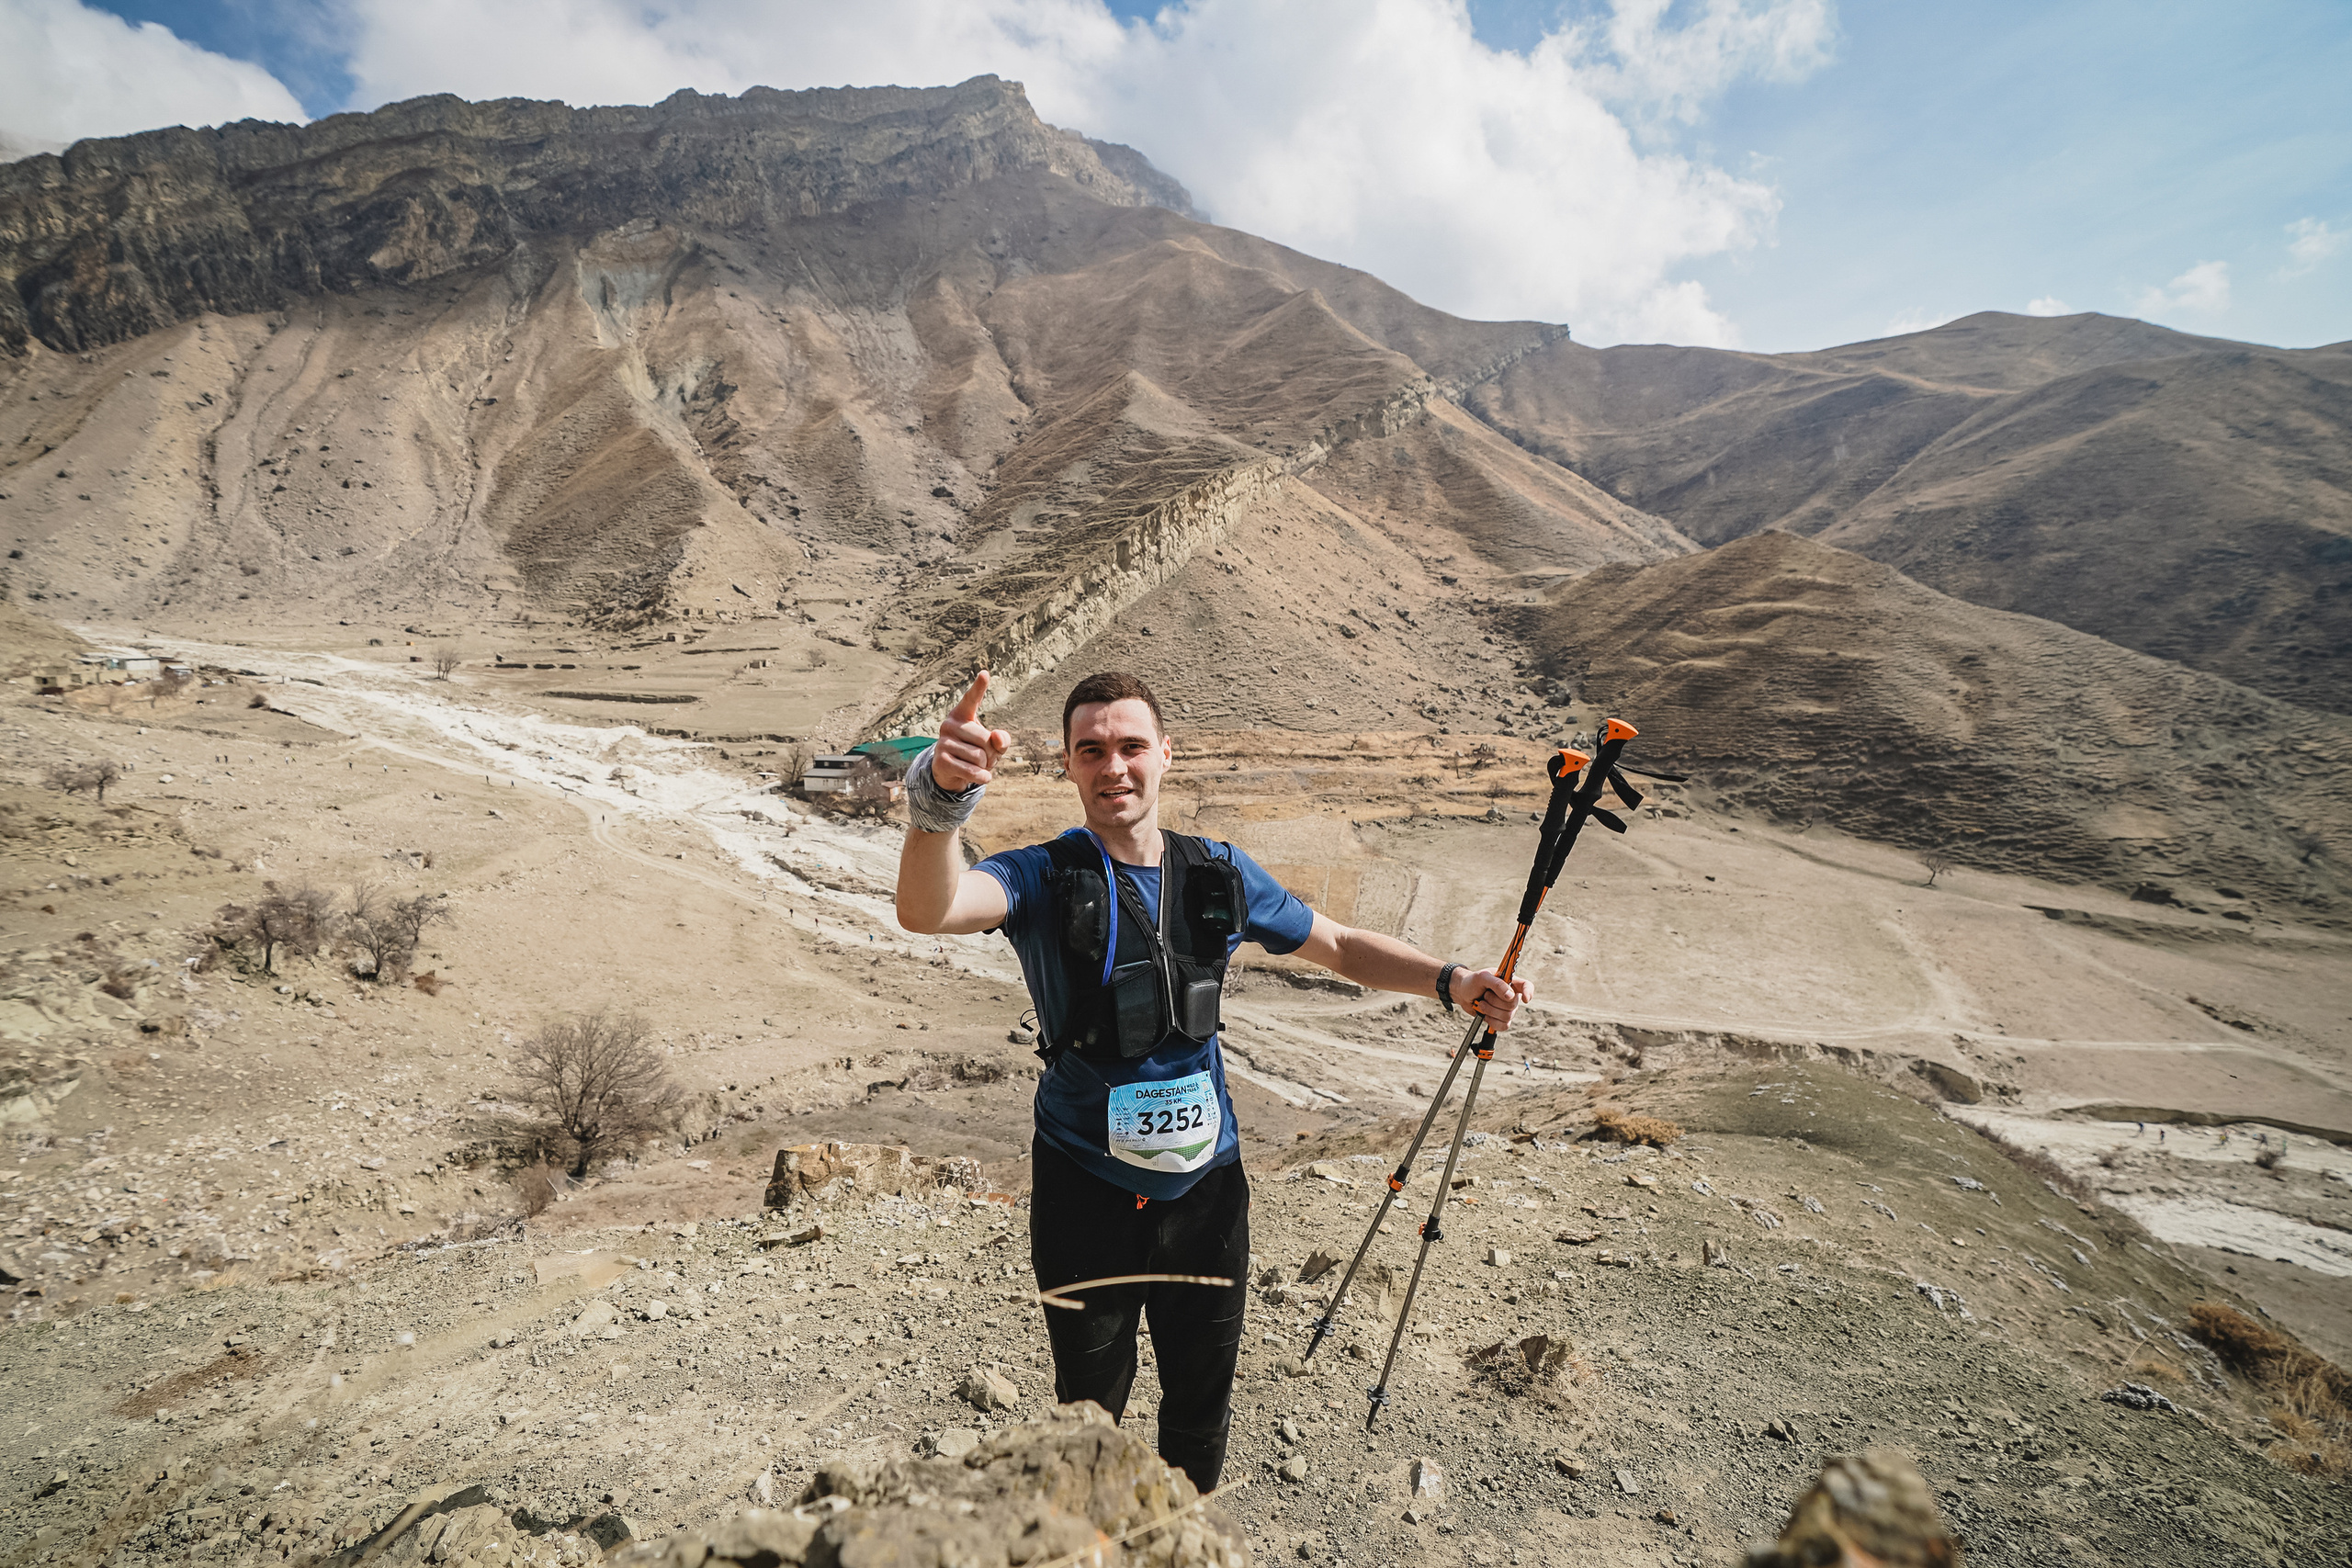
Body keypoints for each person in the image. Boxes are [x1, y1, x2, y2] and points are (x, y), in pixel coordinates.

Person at [894, 669, 1531, 1492]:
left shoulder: (1218, 872)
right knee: (1087, 1414)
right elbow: (929, 909)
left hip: (1208, 1193)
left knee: (1200, 1409)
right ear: (1068, 764)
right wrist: (941, 802)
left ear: (1166, 753)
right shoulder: (1041, 877)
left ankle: (1181, 1537)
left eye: (1131, 746)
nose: (1114, 766)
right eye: (1091, 750)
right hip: (1085, 1191)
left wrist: (1452, 980)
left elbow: (1338, 945)